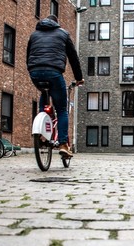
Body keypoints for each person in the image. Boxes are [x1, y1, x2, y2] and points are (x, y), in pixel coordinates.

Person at [26, 15, 84, 158]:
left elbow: (28, 56)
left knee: (44, 95)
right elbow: (73, 57)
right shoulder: (63, 34)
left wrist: (34, 70)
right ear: (56, 24)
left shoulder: (34, 35)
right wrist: (78, 78)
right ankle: (63, 144)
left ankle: (41, 133)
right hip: (54, 72)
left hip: (35, 72)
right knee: (62, 109)